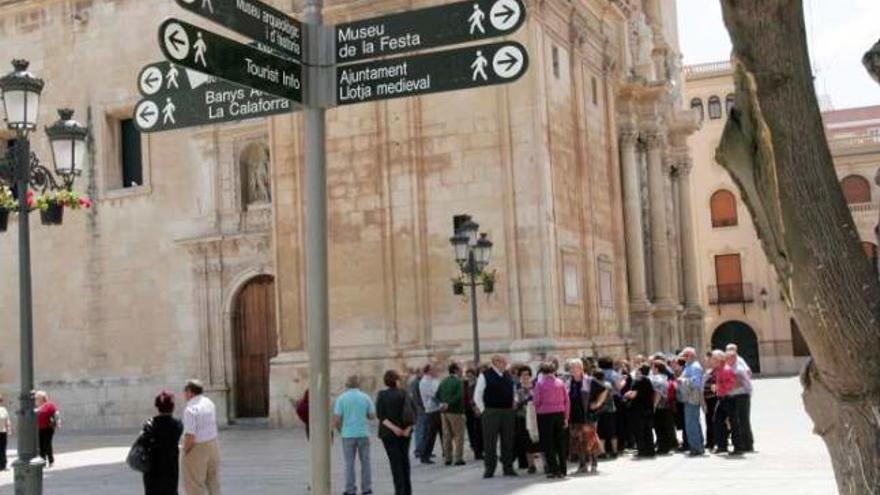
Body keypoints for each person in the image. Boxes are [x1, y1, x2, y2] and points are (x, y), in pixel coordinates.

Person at [474, 354, 517, 478]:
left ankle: (508, 467)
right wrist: (484, 411)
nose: (505, 364)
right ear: (496, 362)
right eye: (503, 362)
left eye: (505, 362)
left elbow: (512, 391)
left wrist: (514, 400)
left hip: (508, 412)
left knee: (508, 441)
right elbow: (477, 395)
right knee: (490, 442)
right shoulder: (485, 375)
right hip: (491, 412)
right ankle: (489, 468)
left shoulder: (508, 375)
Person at [334, 374, 376, 495]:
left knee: (349, 464)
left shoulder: (341, 398)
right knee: (366, 462)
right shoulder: (365, 397)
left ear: (347, 385)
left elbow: (336, 419)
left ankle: (350, 489)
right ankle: (366, 488)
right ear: (359, 384)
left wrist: (340, 430)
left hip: (347, 435)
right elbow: (372, 416)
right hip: (363, 433)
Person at [376, 370, 414, 495]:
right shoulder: (404, 394)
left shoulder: (381, 395)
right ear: (396, 380)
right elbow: (413, 413)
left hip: (389, 434)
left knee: (395, 464)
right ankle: (407, 491)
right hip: (405, 433)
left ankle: (399, 491)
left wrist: (394, 428)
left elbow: (381, 416)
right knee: (404, 462)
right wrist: (406, 429)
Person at [181, 379, 221, 495]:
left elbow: (190, 435)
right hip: (213, 445)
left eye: (185, 391)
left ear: (190, 392)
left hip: (197, 447)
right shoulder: (209, 403)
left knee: (195, 484)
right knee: (213, 482)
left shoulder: (190, 409)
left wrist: (185, 450)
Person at [532, 362, 569, 479]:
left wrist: (538, 409)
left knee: (548, 443)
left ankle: (554, 470)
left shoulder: (539, 384)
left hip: (545, 415)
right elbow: (567, 401)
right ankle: (563, 469)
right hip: (559, 414)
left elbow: (536, 401)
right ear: (554, 371)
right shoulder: (561, 383)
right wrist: (566, 417)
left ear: (542, 372)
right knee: (560, 442)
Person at [143, 391, 184, 495]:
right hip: (170, 469)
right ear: (172, 407)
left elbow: (144, 444)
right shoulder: (177, 425)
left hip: (152, 469)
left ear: (157, 407)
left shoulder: (150, 425)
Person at [566, 359, 602, 474]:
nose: (572, 370)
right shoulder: (568, 382)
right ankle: (582, 465)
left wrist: (597, 403)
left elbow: (605, 390)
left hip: (587, 416)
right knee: (577, 442)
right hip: (573, 416)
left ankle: (594, 464)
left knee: (590, 440)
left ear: (581, 369)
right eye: (571, 368)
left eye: (574, 368)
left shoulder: (590, 381)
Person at [713, 351, 745, 455]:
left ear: (720, 360)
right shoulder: (719, 370)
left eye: (714, 359)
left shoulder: (726, 370)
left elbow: (733, 384)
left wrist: (719, 387)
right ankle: (722, 445)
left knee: (733, 423)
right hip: (722, 398)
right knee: (717, 420)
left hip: (729, 398)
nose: (712, 361)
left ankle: (738, 447)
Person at [436, 362, 466, 466]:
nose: (462, 371)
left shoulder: (443, 381)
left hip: (444, 412)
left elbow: (437, 395)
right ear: (456, 370)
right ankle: (458, 458)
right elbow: (459, 396)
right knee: (459, 435)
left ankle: (448, 458)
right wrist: (449, 403)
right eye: (460, 369)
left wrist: (441, 404)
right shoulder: (458, 382)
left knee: (447, 435)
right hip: (456, 411)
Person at [624, 364, 656, 458]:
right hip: (647, 409)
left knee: (639, 431)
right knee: (648, 430)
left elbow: (633, 394)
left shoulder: (638, 381)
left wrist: (626, 395)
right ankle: (650, 450)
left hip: (638, 410)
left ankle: (642, 450)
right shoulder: (648, 381)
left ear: (640, 371)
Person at [727, 343, 755, 452]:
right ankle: (744, 443)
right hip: (736, 395)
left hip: (742, 395)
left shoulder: (738, 366)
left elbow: (739, 381)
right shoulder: (731, 366)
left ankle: (747, 444)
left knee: (743, 420)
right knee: (739, 420)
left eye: (728, 357)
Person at [678, 348, 705, 456]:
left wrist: (682, 380)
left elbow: (697, 382)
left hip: (692, 397)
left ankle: (696, 448)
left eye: (685, 356)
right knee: (694, 422)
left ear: (690, 355)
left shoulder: (695, 367)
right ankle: (698, 446)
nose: (683, 358)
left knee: (691, 423)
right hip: (688, 397)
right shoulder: (689, 366)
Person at [513, 366, 540, 473]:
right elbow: (514, 404)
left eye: (527, 374)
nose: (526, 377)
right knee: (527, 441)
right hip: (523, 417)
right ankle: (531, 465)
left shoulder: (535, 386)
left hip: (535, 417)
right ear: (519, 376)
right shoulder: (516, 388)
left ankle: (546, 463)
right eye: (523, 375)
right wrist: (523, 402)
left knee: (539, 440)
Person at [418, 364, 442, 464]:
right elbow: (433, 394)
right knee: (430, 434)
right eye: (433, 369)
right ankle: (424, 455)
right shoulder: (425, 382)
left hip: (438, 409)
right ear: (428, 371)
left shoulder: (434, 380)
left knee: (442, 433)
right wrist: (441, 403)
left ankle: (446, 451)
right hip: (431, 410)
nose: (436, 371)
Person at [35, 391, 59, 467]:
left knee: (47, 444)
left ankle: (51, 461)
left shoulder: (50, 405)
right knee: (40, 445)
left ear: (42, 398)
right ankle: (43, 461)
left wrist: (57, 422)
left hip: (48, 428)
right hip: (39, 428)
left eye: (38, 398)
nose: (36, 399)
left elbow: (56, 413)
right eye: (36, 398)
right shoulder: (36, 406)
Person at [463, 368, 483, 460]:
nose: (469, 377)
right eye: (468, 376)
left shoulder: (477, 384)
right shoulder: (464, 384)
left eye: (471, 375)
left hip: (476, 410)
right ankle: (476, 449)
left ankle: (479, 450)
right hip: (468, 411)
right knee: (471, 430)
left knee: (478, 431)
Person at [407, 367, 426, 459]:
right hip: (419, 409)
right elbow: (416, 398)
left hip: (417, 409)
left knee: (421, 429)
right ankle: (419, 449)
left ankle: (422, 448)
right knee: (420, 429)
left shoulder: (413, 383)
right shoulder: (417, 383)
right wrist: (422, 406)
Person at [703, 351, 720, 451]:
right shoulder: (708, 371)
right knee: (708, 421)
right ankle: (710, 442)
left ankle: (716, 441)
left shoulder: (716, 371)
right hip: (707, 399)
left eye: (708, 359)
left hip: (714, 398)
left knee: (715, 421)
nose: (706, 361)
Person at [0, 394, 11, 471]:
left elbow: (7, 420)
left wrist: (9, 429)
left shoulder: (3, 409)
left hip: (2, 432)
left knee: (3, 449)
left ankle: (3, 465)